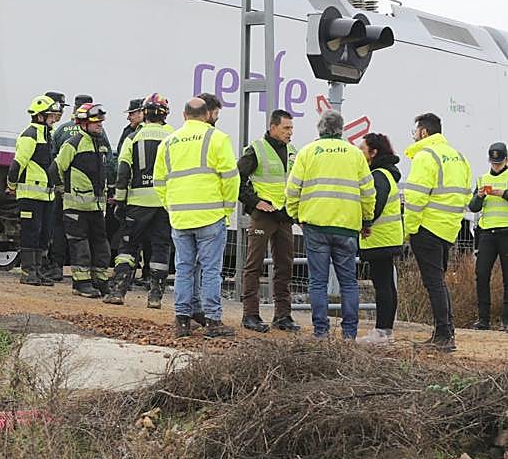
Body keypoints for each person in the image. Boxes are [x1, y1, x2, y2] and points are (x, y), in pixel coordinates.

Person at [284, 110, 375, 341]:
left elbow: (292, 190)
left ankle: (321, 332)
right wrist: (366, 219)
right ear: (341, 129)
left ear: (320, 129)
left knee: (317, 282)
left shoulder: (307, 152)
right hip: (346, 227)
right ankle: (349, 334)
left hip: (315, 225)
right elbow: (368, 192)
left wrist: (296, 215)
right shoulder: (355, 154)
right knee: (348, 283)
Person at [154, 97, 239, 338]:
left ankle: (182, 321)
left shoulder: (168, 142)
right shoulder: (217, 138)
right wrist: (227, 209)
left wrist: (171, 206)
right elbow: (231, 178)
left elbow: (160, 182)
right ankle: (213, 321)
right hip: (210, 215)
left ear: (184, 115)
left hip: (180, 216)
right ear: (207, 115)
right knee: (211, 270)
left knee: (183, 269)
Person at [404, 112, 471, 352]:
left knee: (434, 283)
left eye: (414, 132)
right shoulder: (458, 156)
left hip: (427, 227)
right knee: (438, 282)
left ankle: (443, 335)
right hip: (448, 229)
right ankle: (446, 332)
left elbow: (414, 198)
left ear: (423, 132)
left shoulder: (425, 156)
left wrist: (409, 229)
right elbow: (465, 194)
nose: (413, 136)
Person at [107, 94, 174, 307]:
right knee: (160, 248)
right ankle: (155, 297)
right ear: (165, 115)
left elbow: (123, 170)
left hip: (137, 204)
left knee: (128, 248)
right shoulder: (173, 136)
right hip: (164, 204)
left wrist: (120, 200)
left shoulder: (133, 137)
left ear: (144, 113)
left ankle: (118, 291)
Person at [237, 109, 299, 333]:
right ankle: (250, 315)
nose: (290, 133)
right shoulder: (256, 150)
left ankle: (283, 316)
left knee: (285, 266)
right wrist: (254, 202)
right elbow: (237, 178)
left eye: (291, 128)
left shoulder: (292, 151)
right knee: (253, 266)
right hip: (264, 216)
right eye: (286, 128)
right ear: (273, 127)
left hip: (284, 217)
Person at [55, 104, 114, 297]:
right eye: (96, 122)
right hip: (76, 206)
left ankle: (101, 281)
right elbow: (56, 169)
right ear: (84, 123)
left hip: (96, 207)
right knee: (80, 245)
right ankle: (81, 284)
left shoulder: (101, 144)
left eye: (101, 122)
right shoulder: (73, 143)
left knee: (101, 245)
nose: (100, 125)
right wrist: (63, 190)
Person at [355, 133, 404, 345]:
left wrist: (365, 223)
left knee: (382, 285)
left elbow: (375, 206)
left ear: (373, 153)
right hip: (388, 237)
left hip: (380, 238)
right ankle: (386, 331)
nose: (359, 153)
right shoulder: (387, 174)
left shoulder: (378, 176)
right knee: (386, 285)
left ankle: (382, 332)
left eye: (362, 149)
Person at [8, 95, 58, 286]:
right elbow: (18, 164)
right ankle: (28, 271)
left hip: (46, 195)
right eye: (51, 116)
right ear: (40, 116)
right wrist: (11, 186)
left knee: (45, 233)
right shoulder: (30, 135)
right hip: (30, 195)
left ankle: (38, 270)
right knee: (31, 232)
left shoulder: (47, 135)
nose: (54, 119)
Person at [45, 94, 94, 281]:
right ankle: (85, 272)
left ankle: (56, 267)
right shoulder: (97, 134)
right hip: (87, 193)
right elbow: (108, 163)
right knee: (87, 233)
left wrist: (58, 185)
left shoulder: (62, 130)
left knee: (58, 228)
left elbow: (52, 158)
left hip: (64, 191)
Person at [469, 142, 508, 330]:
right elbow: (473, 207)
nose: (496, 166)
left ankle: (506, 321)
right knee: (482, 274)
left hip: (507, 233)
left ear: (506, 160)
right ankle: (483, 319)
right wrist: (480, 196)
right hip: (487, 234)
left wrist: (504, 193)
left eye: (499, 163)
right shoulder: (482, 178)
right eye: (493, 162)